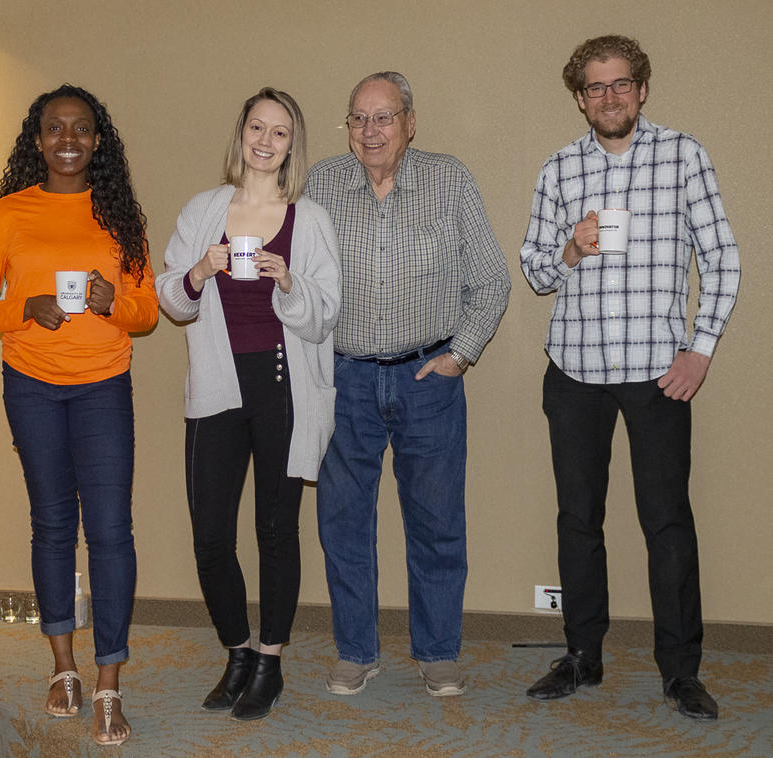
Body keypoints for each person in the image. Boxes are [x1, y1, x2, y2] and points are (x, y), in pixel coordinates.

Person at [519, 35, 740, 721]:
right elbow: (533, 271)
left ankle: (680, 670)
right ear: (580, 97)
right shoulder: (559, 169)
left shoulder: (683, 156)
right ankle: (582, 655)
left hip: (658, 375)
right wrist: (570, 250)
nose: (608, 97)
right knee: (577, 520)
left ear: (641, 89)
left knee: (667, 522)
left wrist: (700, 349)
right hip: (576, 371)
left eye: (620, 84)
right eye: (595, 87)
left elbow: (723, 259)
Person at [0, 84, 158, 746]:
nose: (66, 139)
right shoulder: (10, 213)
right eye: (53, 128)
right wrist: (26, 306)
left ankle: (108, 685)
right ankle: (62, 669)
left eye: (79, 129)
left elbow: (147, 310)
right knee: (50, 526)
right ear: (36, 140)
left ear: (98, 141)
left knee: (111, 532)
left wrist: (111, 302)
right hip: (32, 387)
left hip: (103, 386)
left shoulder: (120, 216)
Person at [307, 71, 510, 698]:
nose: (370, 131)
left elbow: (492, 281)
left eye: (384, 117)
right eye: (359, 118)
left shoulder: (450, 179)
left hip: (429, 377)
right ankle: (356, 651)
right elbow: (303, 281)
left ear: (410, 123)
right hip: (346, 378)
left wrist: (461, 356)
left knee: (436, 520)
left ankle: (438, 651)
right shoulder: (322, 184)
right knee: (343, 521)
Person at [156, 87, 340, 721]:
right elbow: (172, 302)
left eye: (280, 132)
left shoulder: (309, 220)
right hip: (216, 386)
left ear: (293, 145)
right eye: (256, 128)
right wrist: (198, 273)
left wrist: (288, 281)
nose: (266, 141)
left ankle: (269, 660)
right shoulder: (204, 210)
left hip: (285, 387)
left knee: (275, 531)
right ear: (241, 136)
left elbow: (325, 317)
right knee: (210, 533)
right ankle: (236, 651)